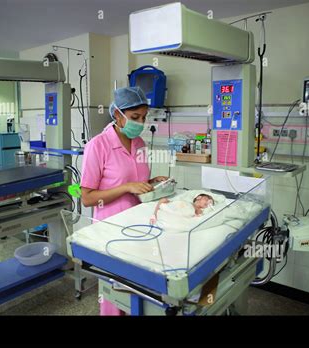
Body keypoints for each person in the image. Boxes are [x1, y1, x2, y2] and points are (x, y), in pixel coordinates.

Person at [80, 86, 168, 316]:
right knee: (114, 296)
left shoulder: (139, 143)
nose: (140, 122)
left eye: (144, 117)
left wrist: (152, 181)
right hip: (110, 231)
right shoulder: (97, 146)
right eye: (134, 117)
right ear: (117, 114)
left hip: (138, 227)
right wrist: (126, 187)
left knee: (137, 292)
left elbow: (136, 182)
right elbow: (87, 197)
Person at [150, 193, 215, 224]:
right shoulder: (186, 202)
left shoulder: (198, 211)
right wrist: (154, 214)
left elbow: (198, 217)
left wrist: (209, 205)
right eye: (206, 199)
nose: (207, 202)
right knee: (164, 200)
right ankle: (155, 215)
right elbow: (163, 200)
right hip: (173, 207)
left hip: (178, 216)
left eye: (209, 202)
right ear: (198, 197)